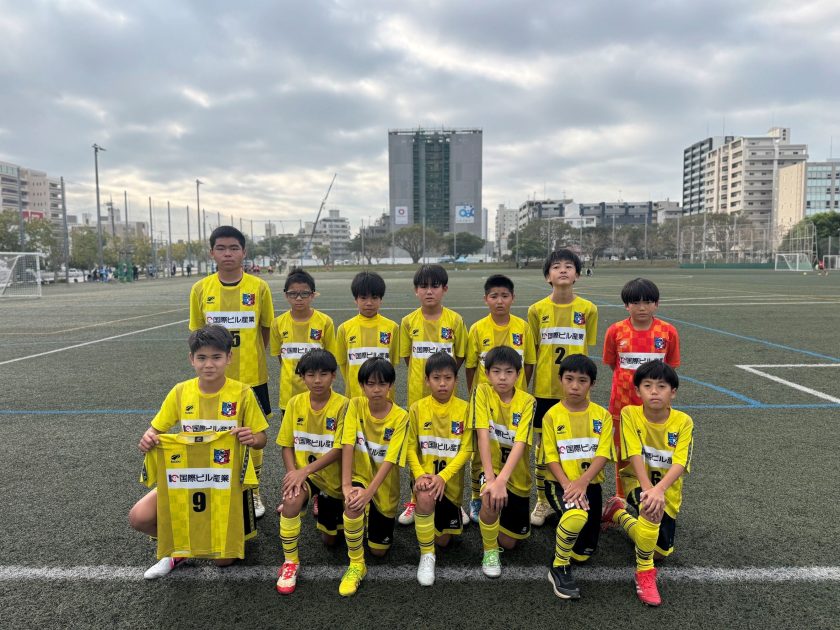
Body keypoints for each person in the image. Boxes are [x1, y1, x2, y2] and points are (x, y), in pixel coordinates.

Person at [128, 325, 269, 579]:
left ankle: (203, 538)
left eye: (216, 357)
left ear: (229, 358)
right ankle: (179, 549)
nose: (209, 364)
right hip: (186, 477)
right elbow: (155, 430)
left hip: (227, 482)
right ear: (191, 359)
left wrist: (252, 438)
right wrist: (147, 439)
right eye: (202, 358)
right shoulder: (181, 391)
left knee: (224, 560)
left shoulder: (243, 393)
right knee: (139, 517)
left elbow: (262, 439)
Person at [189, 225, 275, 518]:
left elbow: (265, 330)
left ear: (244, 252)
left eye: (234, 248)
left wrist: (250, 355)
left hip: (253, 377)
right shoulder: (200, 289)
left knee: (253, 435)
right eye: (221, 248)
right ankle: (219, 484)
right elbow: (197, 335)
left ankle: (254, 492)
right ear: (212, 253)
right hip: (214, 379)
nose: (228, 253)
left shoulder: (258, 287)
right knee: (216, 431)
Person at [601, 360, 693, 607]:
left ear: (673, 392)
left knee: (660, 552)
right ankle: (644, 573)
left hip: (667, 491)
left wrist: (659, 490)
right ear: (637, 390)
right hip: (636, 481)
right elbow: (633, 453)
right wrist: (649, 491)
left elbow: (681, 462)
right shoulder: (630, 414)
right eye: (648, 386)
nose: (654, 391)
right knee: (650, 511)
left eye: (661, 386)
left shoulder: (684, 421)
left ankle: (618, 513)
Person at [527, 249, 598, 527]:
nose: (563, 270)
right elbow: (533, 352)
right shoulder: (536, 310)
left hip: (577, 393)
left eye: (569, 266)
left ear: (577, 274)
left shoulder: (588, 309)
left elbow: (585, 352)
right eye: (556, 266)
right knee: (543, 448)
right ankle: (543, 500)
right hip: (545, 390)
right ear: (548, 276)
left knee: (574, 445)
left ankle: (574, 492)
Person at [275, 349, 349, 595]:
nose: (317, 380)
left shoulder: (343, 405)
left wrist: (303, 471)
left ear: (334, 376)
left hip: (332, 478)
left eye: (323, 374)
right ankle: (290, 562)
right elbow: (286, 444)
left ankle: (323, 504)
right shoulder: (295, 403)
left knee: (331, 541)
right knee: (290, 500)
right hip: (305, 476)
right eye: (310, 375)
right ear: (302, 377)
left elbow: (339, 449)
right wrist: (293, 475)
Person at [398, 264, 467, 526]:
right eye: (423, 286)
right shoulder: (408, 322)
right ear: (416, 290)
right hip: (418, 398)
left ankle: (455, 502)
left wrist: (443, 377)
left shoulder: (455, 320)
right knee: (417, 448)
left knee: (450, 446)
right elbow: (408, 358)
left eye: (435, 286)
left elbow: (459, 356)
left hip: (448, 400)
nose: (429, 291)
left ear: (444, 289)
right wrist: (426, 379)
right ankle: (414, 498)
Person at [541, 355, 614, 599]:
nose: (575, 386)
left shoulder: (602, 415)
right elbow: (550, 457)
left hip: (589, 485)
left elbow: (603, 453)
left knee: (583, 553)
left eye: (582, 381)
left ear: (592, 384)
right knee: (576, 515)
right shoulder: (552, 415)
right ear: (560, 380)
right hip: (559, 483)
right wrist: (568, 485)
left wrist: (583, 482)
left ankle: (612, 515)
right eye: (569, 379)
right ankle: (558, 567)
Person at [464, 274, 535, 523]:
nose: (500, 301)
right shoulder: (477, 329)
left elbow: (528, 364)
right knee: (479, 450)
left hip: (514, 401)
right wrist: (475, 393)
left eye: (505, 296)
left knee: (514, 445)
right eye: (494, 296)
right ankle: (477, 495)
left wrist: (519, 388)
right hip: (485, 401)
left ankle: (511, 488)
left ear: (513, 298)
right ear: (486, 299)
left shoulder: (523, 327)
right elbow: (470, 367)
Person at [336, 357, 408, 596]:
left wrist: (369, 493)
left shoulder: (401, 416)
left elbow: (390, 461)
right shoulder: (355, 405)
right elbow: (347, 443)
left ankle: (369, 518)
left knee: (379, 550)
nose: (376, 389)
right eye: (370, 383)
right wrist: (347, 486)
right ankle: (356, 564)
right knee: (352, 502)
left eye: (382, 383)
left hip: (384, 487)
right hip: (359, 478)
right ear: (362, 386)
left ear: (391, 386)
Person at [602, 278, 679, 499]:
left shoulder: (668, 332)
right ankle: (622, 497)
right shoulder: (615, 331)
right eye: (635, 302)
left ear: (657, 304)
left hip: (656, 408)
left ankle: (653, 493)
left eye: (647, 302)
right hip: (622, 405)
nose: (642, 307)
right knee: (623, 453)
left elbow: (670, 369)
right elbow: (613, 364)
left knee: (654, 451)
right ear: (626, 305)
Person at [404, 352, 471, 586]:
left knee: (444, 541)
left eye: (448, 378)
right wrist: (420, 474)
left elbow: (466, 449)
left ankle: (439, 513)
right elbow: (410, 447)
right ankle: (427, 555)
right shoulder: (417, 408)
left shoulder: (465, 409)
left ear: (456, 380)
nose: (442, 383)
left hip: (449, 485)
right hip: (425, 480)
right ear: (426, 380)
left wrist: (443, 476)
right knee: (424, 494)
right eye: (436, 378)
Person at [471, 346, 536, 578]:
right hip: (489, 469)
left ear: (518, 375)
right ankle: (489, 551)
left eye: (509, 372)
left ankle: (491, 522)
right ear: (487, 373)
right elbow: (482, 436)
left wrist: (502, 481)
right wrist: (491, 479)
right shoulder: (481, 392)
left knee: (509, 542)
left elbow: (520, 443)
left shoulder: (528, 401)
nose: (502, 377)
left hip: (515, 475)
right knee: (490, 497)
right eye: (496, 371)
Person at [269, 268, 337, 421]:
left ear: (313, 295)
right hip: (289, 395)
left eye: (304, 293)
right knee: (291, 434)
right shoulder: (277, 323)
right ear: (286, 295)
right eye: (293, 294)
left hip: (320, 393)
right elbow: (280, 356)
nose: (299, 298)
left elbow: (330, 356)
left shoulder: (325, 322)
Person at [335, 271, 399, 401]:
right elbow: (342, 363)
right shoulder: (344, 328)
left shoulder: (392, 327)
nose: (369, 303)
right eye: (363, 298)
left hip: (385, 397)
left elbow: (392, 362)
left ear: (381, 299)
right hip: (355, 396)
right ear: (356, 300)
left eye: (374, 297)